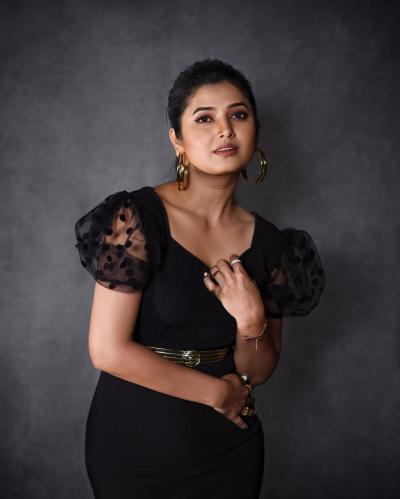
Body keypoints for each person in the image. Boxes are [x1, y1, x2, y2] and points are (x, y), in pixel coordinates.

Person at [74, 58, 326, 499]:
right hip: (135, 440)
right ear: (177, 140)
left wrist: (251, 322)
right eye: (205, 118)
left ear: (256, 132)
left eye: (238, 115)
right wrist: (216, 393)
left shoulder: (274, 244)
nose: (225, 130)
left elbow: (258, 371)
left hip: (229, 445)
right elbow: (107, 349)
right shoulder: (136, 218)